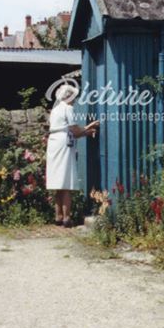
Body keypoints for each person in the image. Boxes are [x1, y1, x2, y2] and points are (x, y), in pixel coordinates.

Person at [45, 84, 99, 226]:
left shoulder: (55, 110)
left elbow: (67, 128)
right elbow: (74, 131)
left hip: (54, 142)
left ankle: (58, 216)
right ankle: (67, 218)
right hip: (64, 144)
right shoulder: (68, 108)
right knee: (67, 180)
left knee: (58, 181)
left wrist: (86, 127)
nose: (75, 100)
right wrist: (88, 131)